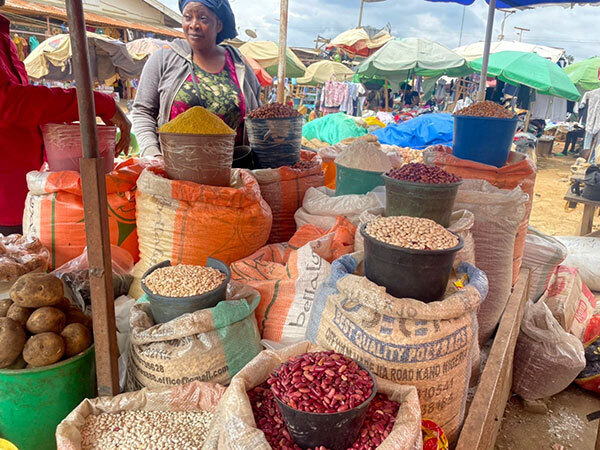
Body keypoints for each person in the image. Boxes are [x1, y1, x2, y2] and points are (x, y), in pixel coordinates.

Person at [0, 2, 130, 235]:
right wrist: (96, 103)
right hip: (6, 202)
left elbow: (23, 110)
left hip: (25, 191)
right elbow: (8, 102)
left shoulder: (4, 37)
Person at [132, 0, 261, 157]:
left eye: (203, 18)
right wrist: (152, 153)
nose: (194, 25)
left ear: (219, 25)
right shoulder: (163, 59)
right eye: (187, 17)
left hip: (231, 172)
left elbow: (258, 118)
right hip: (173, 170)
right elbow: (143, 111)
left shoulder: (239, 65)